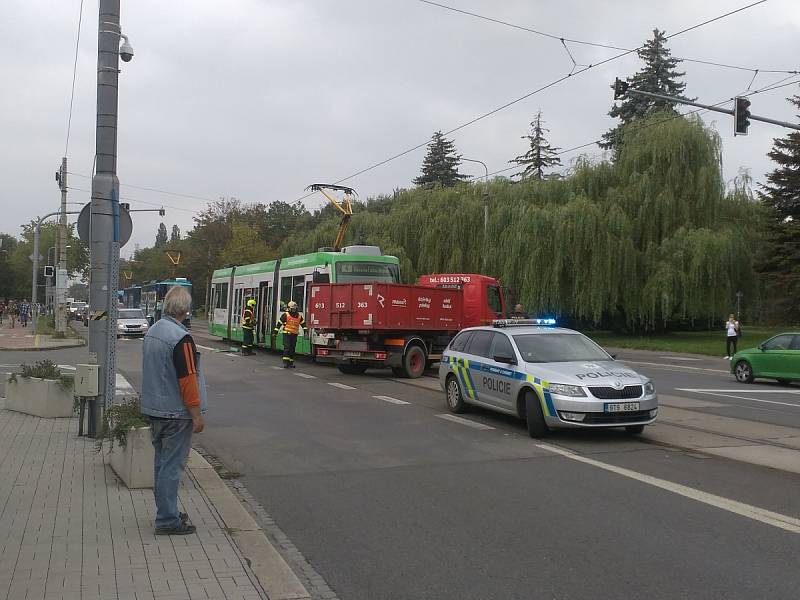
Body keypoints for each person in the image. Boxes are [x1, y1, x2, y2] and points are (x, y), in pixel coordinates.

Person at [140, 285, 207, 535]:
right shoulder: (182, 338)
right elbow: (187, 379)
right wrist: (196, 415)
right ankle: (167, 520)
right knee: (172, 468)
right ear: (186, 309)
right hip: (175, 414)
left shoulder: (153, 332)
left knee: (161, 465)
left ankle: (165, 512)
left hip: (154, 409)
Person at [274, 300, 305, 368]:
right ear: (289, 308)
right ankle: (285, 362)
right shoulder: (285, 315)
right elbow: (279, 324)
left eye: (295, 308)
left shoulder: (299, 316)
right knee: (287, 348)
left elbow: (303, 324)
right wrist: (275, 332)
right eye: (293, 308)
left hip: (294, 335)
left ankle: (291, 362)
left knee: (292, 349)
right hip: (287, 334)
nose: (294, 309)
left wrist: (306, 331)